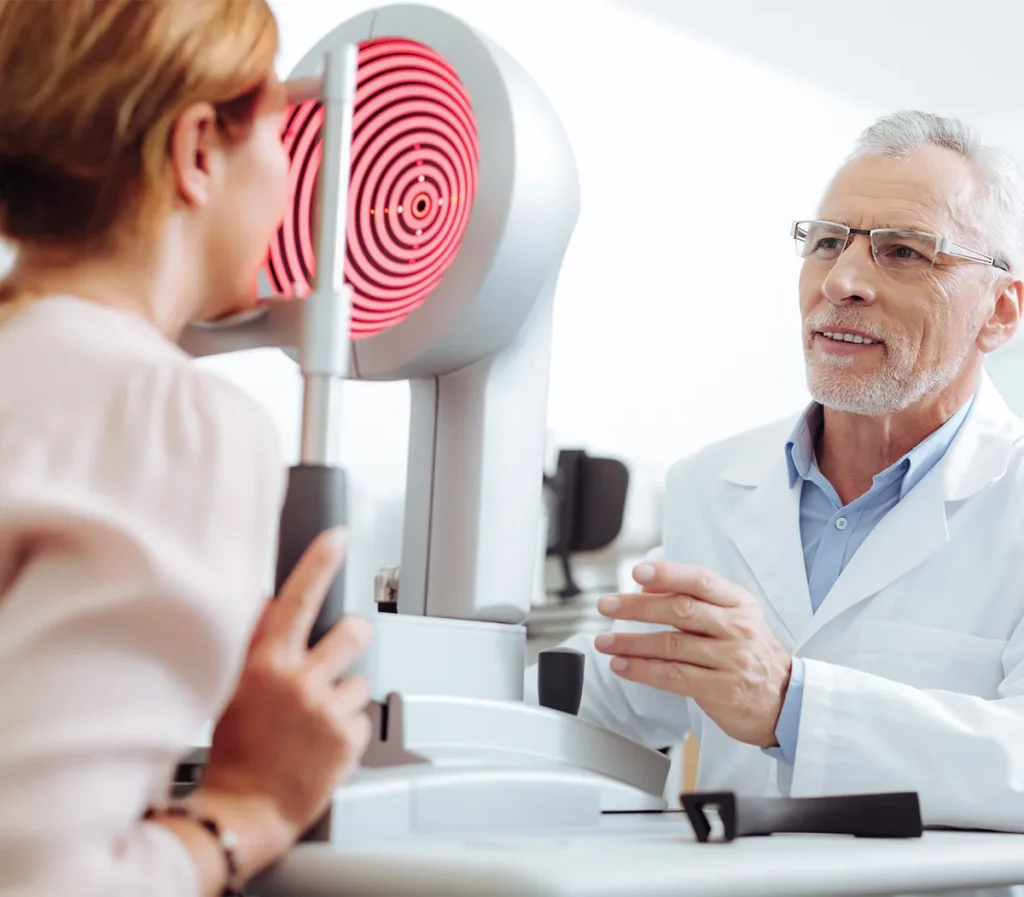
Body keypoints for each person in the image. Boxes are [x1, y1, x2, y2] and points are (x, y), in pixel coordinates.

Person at [528, 111, 1024, 847]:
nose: (844, 280)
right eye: (828, 241)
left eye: (904, 252)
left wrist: (791, 703)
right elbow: (624, 704)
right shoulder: (710, 484)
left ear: (1001, 312)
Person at [0, 3, 371, 896]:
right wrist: (246, 806)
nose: (294, 181)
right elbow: (49, 881)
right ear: (199, 148)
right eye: (283, 134)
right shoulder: (166, 419)